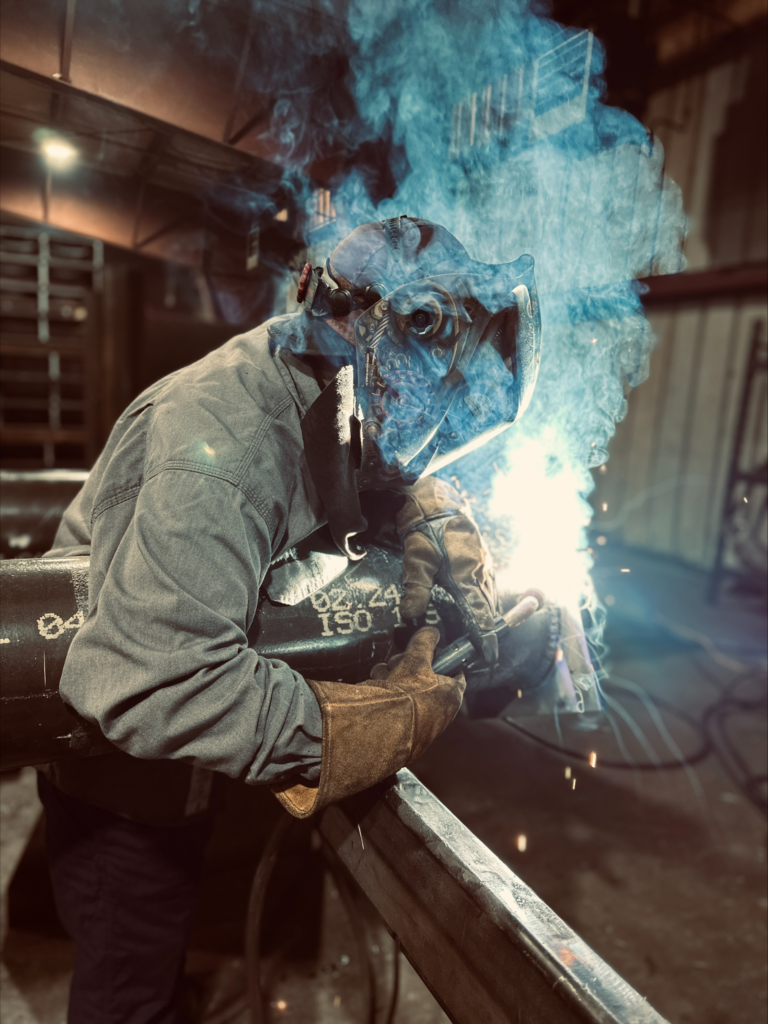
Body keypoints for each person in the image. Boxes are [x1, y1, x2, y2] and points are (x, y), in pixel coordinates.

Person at [38, 216, 541, 1023]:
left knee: (168, 923)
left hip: (191, 762)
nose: (430, 423)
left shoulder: (335, 385)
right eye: (424, 395)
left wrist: (417, 501)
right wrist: (359, 726)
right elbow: (147, 682)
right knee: (129, 958)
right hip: (121, 770)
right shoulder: (222, 444)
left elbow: (354, 458)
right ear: (346, 328)